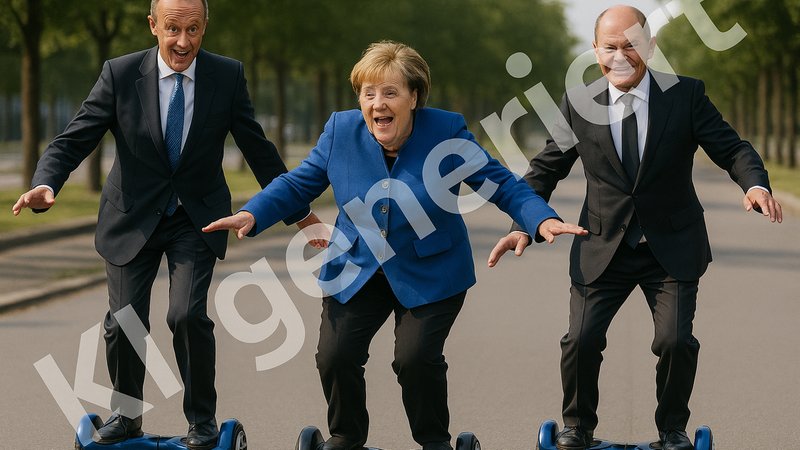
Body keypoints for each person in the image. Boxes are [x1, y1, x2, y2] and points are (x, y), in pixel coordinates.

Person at [203, 41, 587, 450]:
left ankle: (433, 439)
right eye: (368, 93)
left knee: (415, 358)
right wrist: (254, 213)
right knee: (335, 356)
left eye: (390, 93)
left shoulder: (446, 133)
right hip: (357, 266)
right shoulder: (340, 131)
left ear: (414, 97)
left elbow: (503, 184)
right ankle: (347, 435)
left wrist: (540, 218)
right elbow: (299, 183)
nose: (377, 104)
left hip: (431, 272)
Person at [11, 0, 320, 448]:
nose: (183, 41)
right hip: (130, 215)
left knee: (187, 314)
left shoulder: (226, 76)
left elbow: (258, 148)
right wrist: (45, 183)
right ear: (153, 25)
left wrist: (300, 214)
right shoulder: (119, 74)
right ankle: (126, 416)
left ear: (204, 27)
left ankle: (201, 421)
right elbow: (75, 137)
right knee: (124, 319)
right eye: (173, 28)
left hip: (197, 219)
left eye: (193, 29)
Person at [488, 5, 783, 450]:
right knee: (581, 341)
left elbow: (732, 147)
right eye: (611, 47)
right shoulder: (577, 104)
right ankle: (577, 426)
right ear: (595, 50)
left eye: (632, 45)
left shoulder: (685, 95)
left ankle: (672, 430)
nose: (621, 55)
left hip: (672, 245)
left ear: (651, 46)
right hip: (601, 244)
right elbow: (544, 169)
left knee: (675, 342)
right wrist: (524, 223)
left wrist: (755, 183)